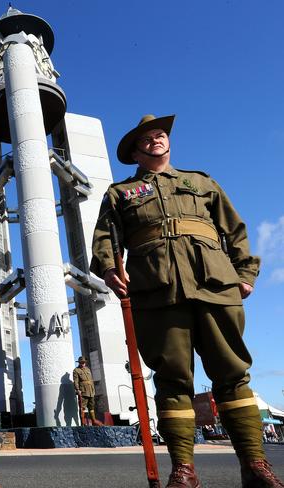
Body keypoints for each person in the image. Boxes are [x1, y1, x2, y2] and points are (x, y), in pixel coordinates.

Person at [90, 114, 284, 487]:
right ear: (134, 152)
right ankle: (183, 470)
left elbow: (235, 229)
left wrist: (245, 273)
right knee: (172, 378)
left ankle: (255, 465)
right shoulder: (120, 194)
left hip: (214, 285)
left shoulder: (201, 182)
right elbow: (104, 240)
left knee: (232, 373)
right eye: (146, 139)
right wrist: (107, 268)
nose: (155, 141)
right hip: (156, 291)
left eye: (160, 135)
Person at [72, 357, 102, 426]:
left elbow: (91, 380)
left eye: (83, 362)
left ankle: (93, 421)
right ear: (79, 363)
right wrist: (77, 389)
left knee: (91, 406)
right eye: (81, 362)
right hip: (83, 391)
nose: (83, 364)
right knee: (82, 407)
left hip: (91, 390)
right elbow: (76, 381)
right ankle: (83, 423)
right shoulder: (76, 370)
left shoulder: (88, 369)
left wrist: (93, 389)